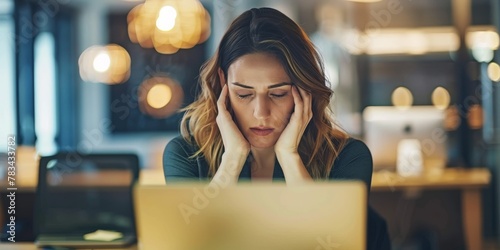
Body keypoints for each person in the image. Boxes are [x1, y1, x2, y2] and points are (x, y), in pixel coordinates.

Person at [163, 7, 390, 249]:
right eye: (244, 94)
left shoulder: (348, 157)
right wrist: (232, 159)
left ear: (303, 89)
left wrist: (289, 157)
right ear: (222, 83)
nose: (261, 112)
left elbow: (333, 243)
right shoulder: (184, 155)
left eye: (278, 93)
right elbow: (193, 243)